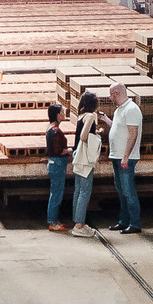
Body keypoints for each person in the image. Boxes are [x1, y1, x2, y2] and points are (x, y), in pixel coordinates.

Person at [105, 83, 144, 235]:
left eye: (111, 95)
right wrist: (106, 120)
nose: (110, 98)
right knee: (120, 190)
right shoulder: (120, 110)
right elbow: (117, 127)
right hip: (117, 156)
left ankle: (135, 223)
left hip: (126, 158)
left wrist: (126, 156)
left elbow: (133, 134)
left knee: (128, 192)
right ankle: (123, 221)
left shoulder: (132, 109)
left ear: (116, 93)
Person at [66, 92, 105, 236]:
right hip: (84, 157)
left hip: (77, 155)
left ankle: (78, 221)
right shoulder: (90, 116)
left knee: (78, 189)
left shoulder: (81, 116)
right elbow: (84, 136)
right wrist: (98, 134)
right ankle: (79, 225)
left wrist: (96, 131)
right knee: (85, 191)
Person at [43, 100, 72, 232]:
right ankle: (52, 222)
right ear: (57, 115)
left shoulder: (50, 128)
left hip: (55, 163)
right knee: (56, 194)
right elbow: (58, 151)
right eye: (62, 112)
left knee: (56, 193)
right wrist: (70, 151)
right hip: (57, 164)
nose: (64, 113)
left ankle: (54, 220)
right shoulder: (55, 131)